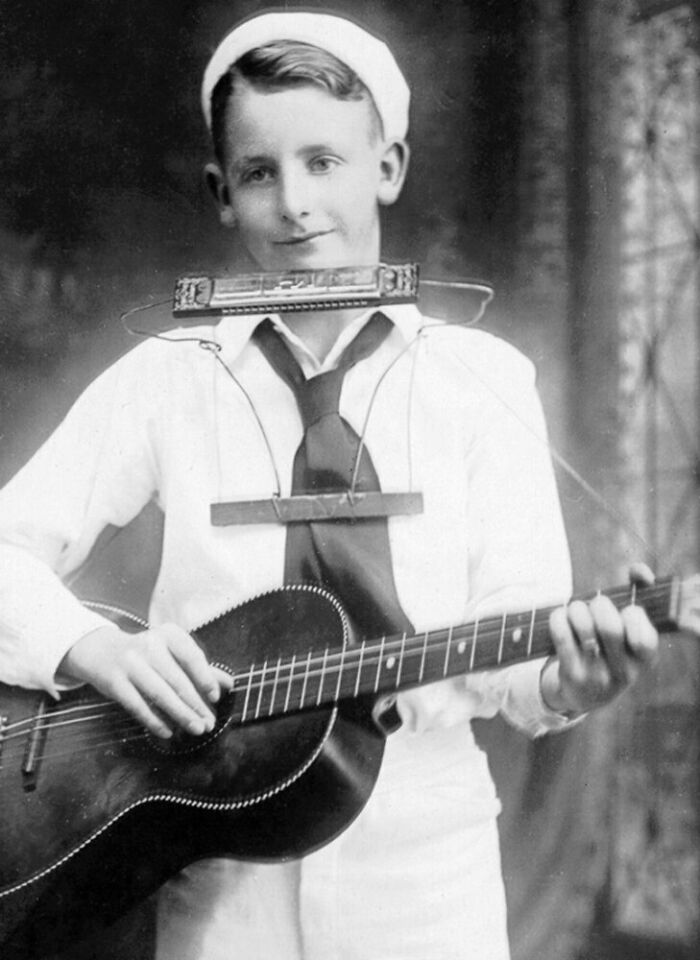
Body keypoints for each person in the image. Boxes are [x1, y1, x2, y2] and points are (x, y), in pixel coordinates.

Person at [0, 10, 658, 960]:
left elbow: (517, 641)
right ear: (221, 193)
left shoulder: (481, 377)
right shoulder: (170, 374)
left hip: (429, 861)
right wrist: (92, 648)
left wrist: (565, 679)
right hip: (218, 857)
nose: (295, 203)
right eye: (260, 173)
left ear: (387, 167)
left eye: (325, 163)